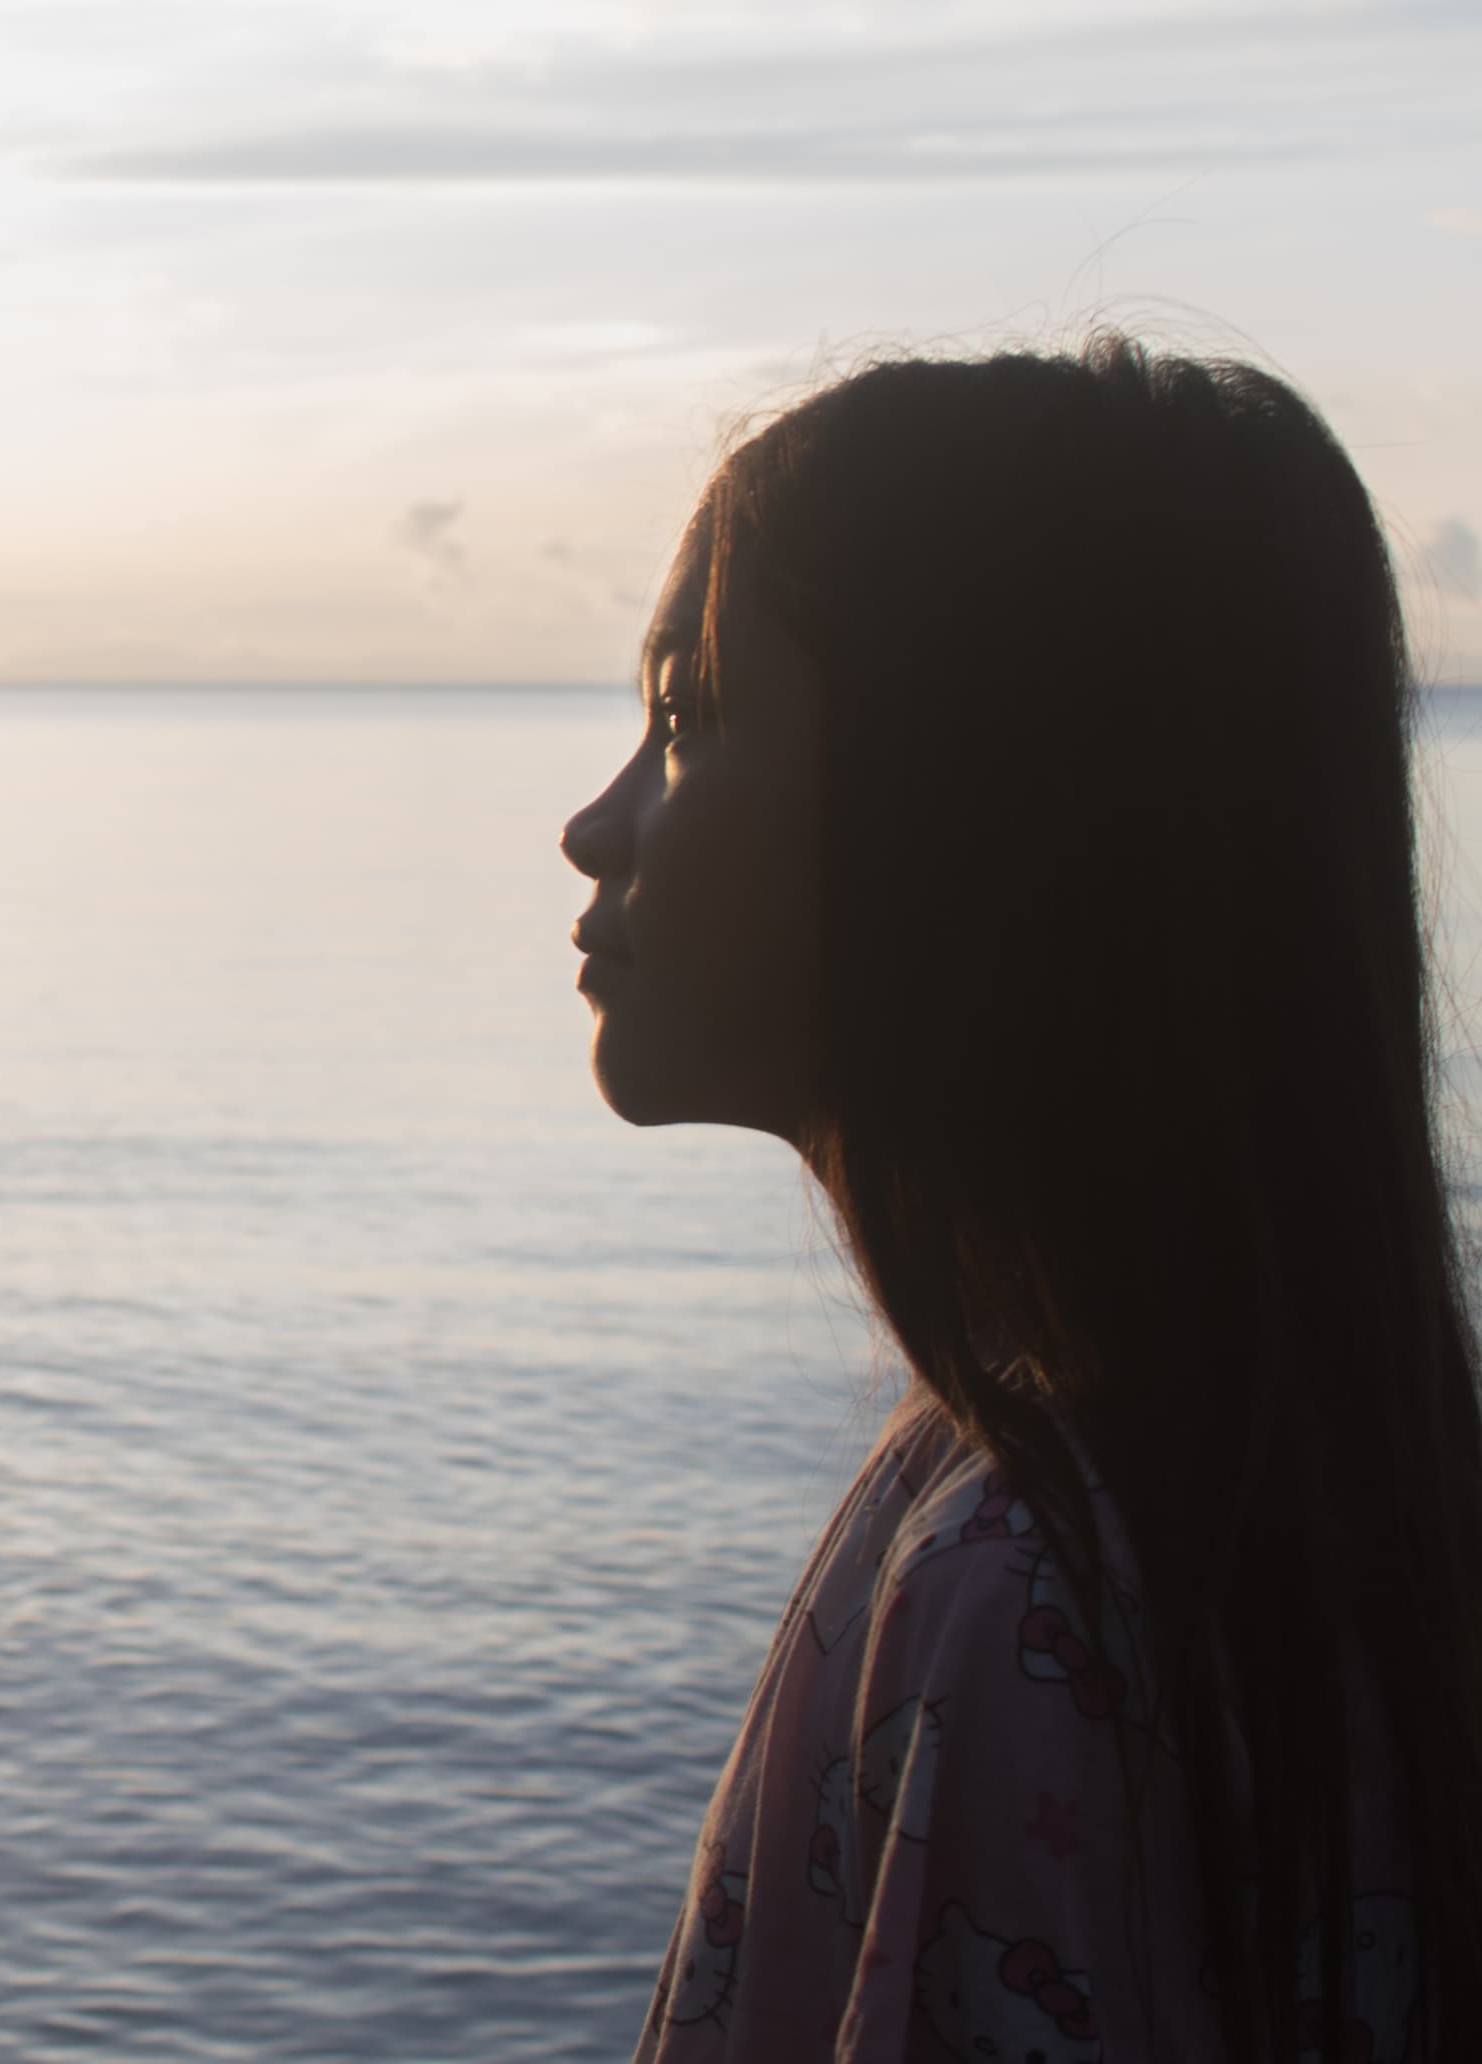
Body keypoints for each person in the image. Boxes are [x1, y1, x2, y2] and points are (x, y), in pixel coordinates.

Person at [560, 337, 1482, 2062]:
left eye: (685, 721)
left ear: (968, 816)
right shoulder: (1228, 1492)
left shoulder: (1035, 1592)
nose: (595, 825)